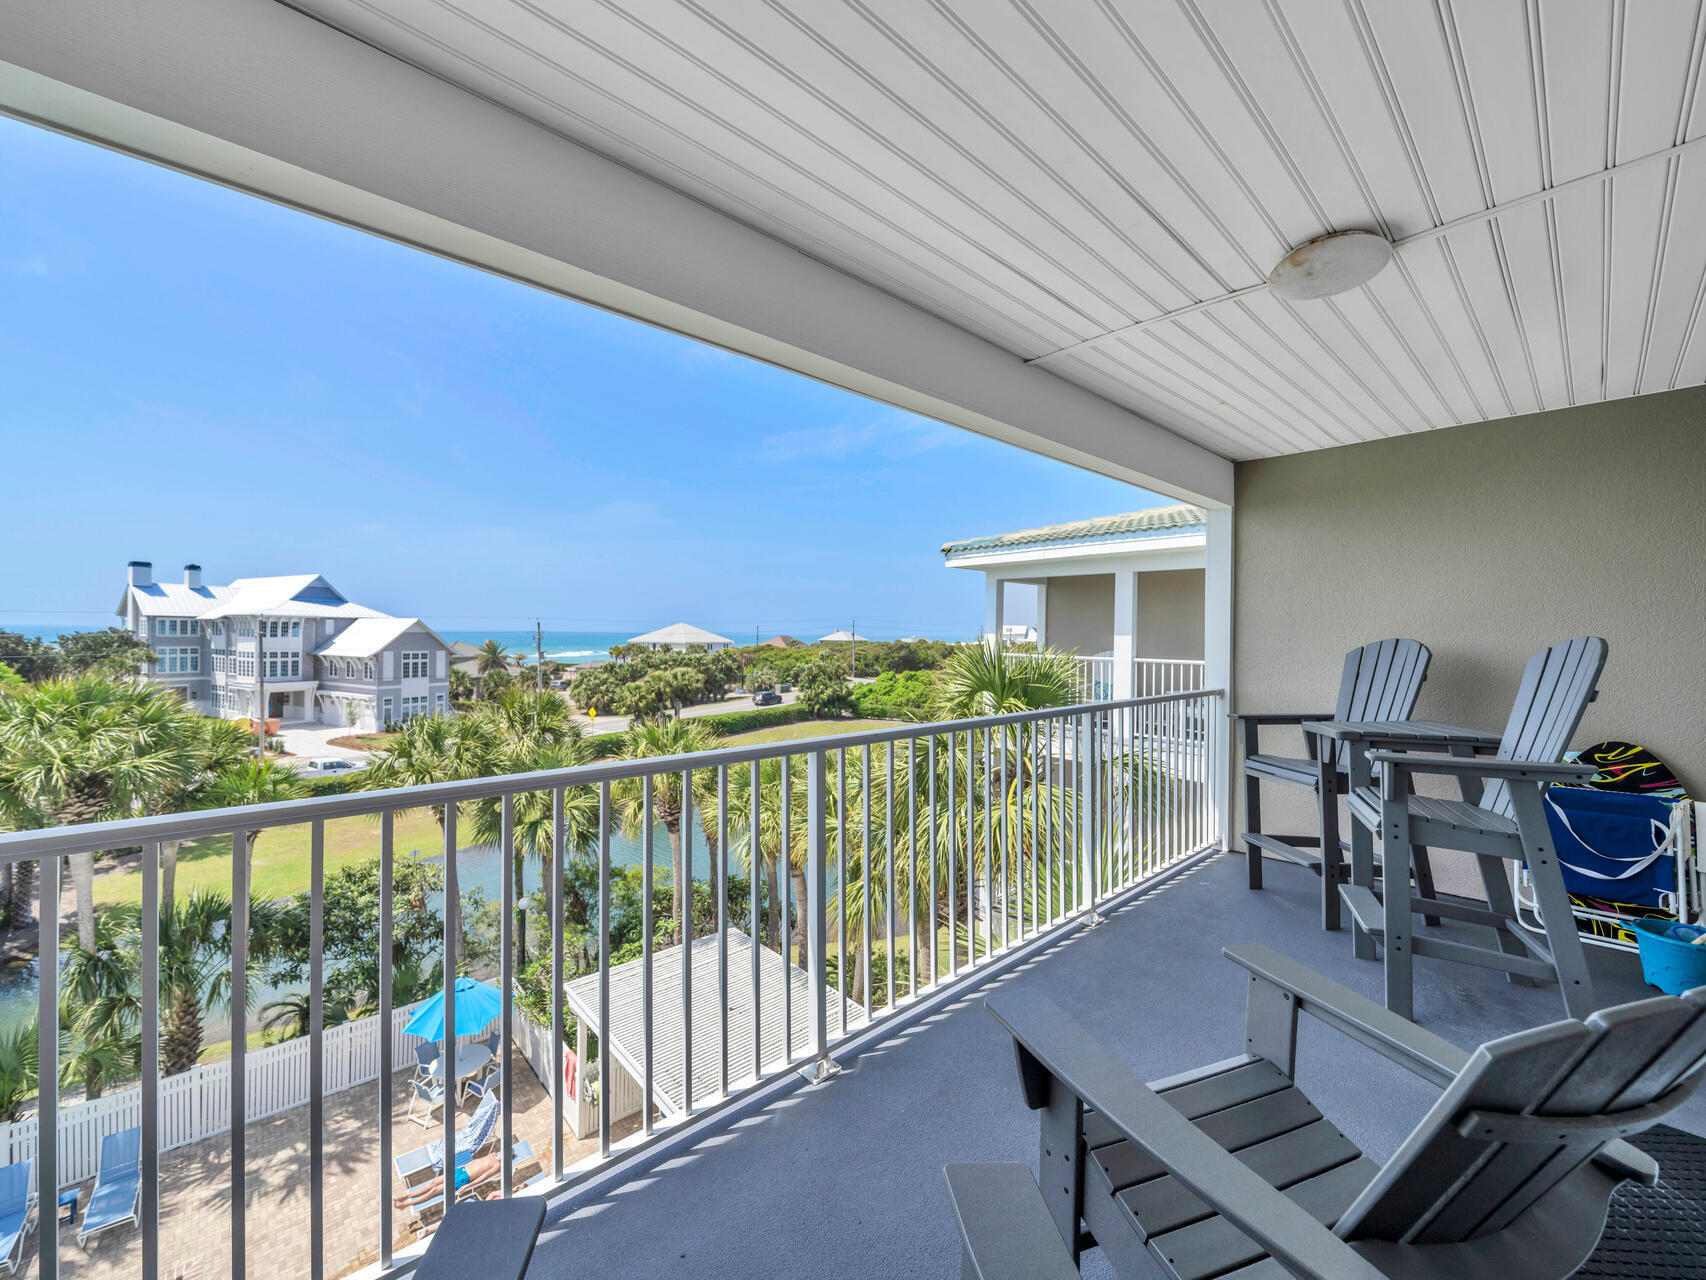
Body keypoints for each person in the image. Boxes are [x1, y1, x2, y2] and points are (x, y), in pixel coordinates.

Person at [393, 1151, 503, 1208]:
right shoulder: (493, 1154)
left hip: (464, 1178)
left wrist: (467, 1186)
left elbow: (483, 1177)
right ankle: (405, 1197)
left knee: (434, 1190)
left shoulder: (497, 1165)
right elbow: (474, 1161)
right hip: (460, 1170)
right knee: (432, 1183)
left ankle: (405, 1205)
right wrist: (460, 1167)